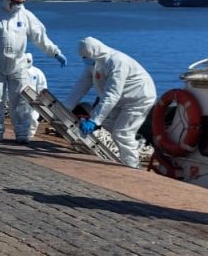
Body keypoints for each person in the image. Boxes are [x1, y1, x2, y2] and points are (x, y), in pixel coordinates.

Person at [0, 0, 66, 143]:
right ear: (7, 0)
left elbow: (40, 37)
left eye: (22, 2)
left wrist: (55, 52)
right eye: (16, 2)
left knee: (21, 100)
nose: (19, 5)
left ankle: (22, 133)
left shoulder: (26, 16)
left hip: (18, 64)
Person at [63, 37, 156, 168]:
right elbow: (82, 85)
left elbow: (112, 94)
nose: (84, 59)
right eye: (83, 57)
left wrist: (94, 121)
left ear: (95, 52)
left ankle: (132, 165)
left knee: (122, 133)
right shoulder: (94, 63)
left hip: (138, 98)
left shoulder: (117, 62)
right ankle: (126, 152)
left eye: (86, 56)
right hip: (121, 99)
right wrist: (65, 107)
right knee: (107, 125)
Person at [25, 53, 48, 138]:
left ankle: (30, 136)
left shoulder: (37, 72)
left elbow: (42, 86)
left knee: (33, 118)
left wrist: (41, 98)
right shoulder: (17, 72)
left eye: (28, 61)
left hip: (34, 100)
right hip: (21, 100)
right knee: (19, 119)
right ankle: (21, 135)